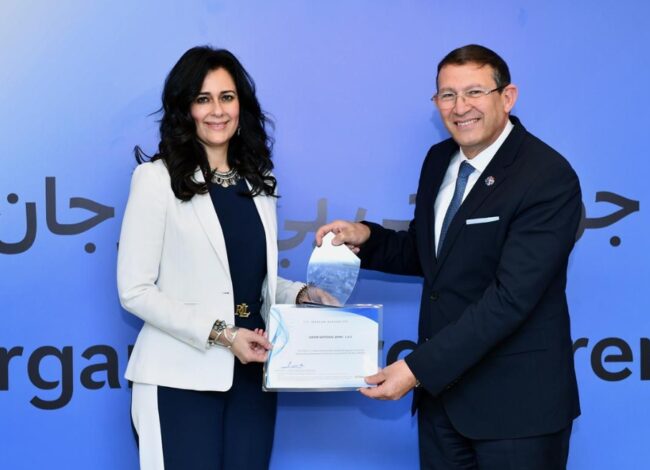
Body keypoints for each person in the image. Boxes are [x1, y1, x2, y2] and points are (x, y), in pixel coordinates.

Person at [316, 44, 581, 469]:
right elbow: (433, 255)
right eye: (447, 95)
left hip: (517, 412)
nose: (460, 107)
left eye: (474, 92)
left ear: (507, 97)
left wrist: (415, 370)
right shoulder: (439, 160)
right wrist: (366, 238)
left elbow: (511, 298)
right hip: (443, 405)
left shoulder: (546, 175)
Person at [117, 46, 327, 470]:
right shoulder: (156, 180)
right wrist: (223, 335)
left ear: (241, 106)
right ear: (186, 109)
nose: (217, 110)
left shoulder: (260, 182)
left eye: (227, 97)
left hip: (252, 378)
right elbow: (135, 291)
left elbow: (250, 280)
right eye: (203, 99)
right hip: (179, 378)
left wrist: (302, 295)